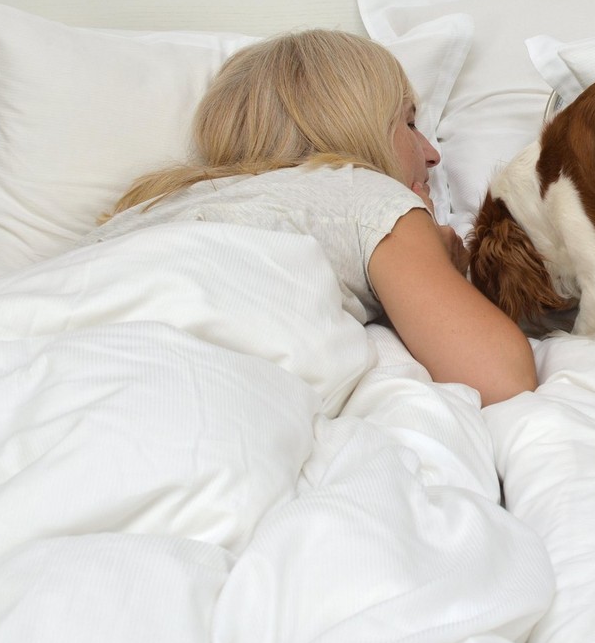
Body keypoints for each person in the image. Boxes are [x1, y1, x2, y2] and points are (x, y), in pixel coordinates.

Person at [82, 28, 537, 406]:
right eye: (409, 124)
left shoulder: (148, 208)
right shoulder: (367, 193)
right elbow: (500, 379)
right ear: (354, 125)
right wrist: (443, 268)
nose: (433, 155)